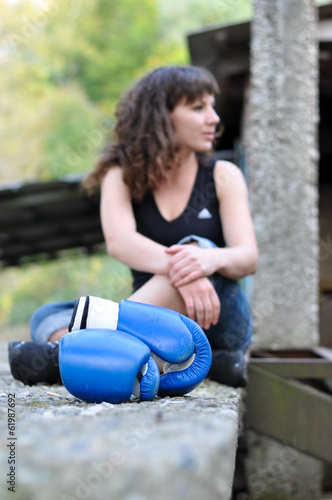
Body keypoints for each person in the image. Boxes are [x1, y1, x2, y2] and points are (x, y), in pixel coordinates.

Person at [9, 65, 258, 388]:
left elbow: (248, 256)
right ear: (161, 116)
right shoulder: (121, 175)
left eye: (211, 106)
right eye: (198, 108)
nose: (213, 118)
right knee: (48, 316)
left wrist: (207, 261)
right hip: (150, 324)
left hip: (219, 318)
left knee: (199, 248)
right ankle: (191, 362)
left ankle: (68, 357)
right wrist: (183, 268)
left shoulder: (223, 175)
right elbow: (120, 242)